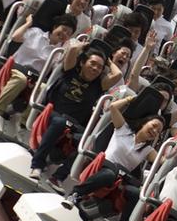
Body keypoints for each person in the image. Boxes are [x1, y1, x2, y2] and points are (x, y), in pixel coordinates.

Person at [68, 94, 165, 221]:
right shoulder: (124, 130)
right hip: (103, 168)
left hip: (121, 178)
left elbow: (164, 162)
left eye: (158, 132)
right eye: (154, 126)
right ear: (145, 123)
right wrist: (129, 99)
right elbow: (113, 108)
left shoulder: (147, 150)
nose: (155, 131)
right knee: (109, 174)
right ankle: (75, 194)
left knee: (135, 193)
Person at [29, 40, 122, 179]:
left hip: (74, 124)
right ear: (82, 63)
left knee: (88, 142)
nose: (95, 68)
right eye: (92, 63)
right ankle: (37, 165)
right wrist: (84, 46)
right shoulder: (70, 71)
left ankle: (58, 178)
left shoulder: (99, 85)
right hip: (53, 115)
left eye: (99, 67)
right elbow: (72, 49)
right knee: (59, 122)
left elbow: (118, 74)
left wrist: (107, 60)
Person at [0, 13, 76, 131]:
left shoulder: (60, 52)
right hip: (17, 68)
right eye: (64, 29)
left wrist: (69, 50)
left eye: (68, 34)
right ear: (55, 27)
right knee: (21, 79)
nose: (64, 34)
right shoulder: (36, 33)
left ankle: (23, 123)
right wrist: (28, 23)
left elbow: (61, 68)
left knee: (44, 88)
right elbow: (15, 37)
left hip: (35, 78)